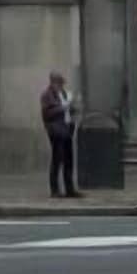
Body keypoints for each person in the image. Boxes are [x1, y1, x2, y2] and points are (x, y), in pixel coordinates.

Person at [40, 70, 80, 199]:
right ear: (53, 82)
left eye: (62, 83)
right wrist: (63, 107)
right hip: (56, 130)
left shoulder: (64, 94)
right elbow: (47, 113)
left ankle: (70, 189)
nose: (61, 85)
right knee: (57, 159)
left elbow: (69, 109)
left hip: (67, 129)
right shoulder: (47, 95)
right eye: (59, 83)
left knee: (69, 159)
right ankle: (55, 190)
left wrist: (73, 107)